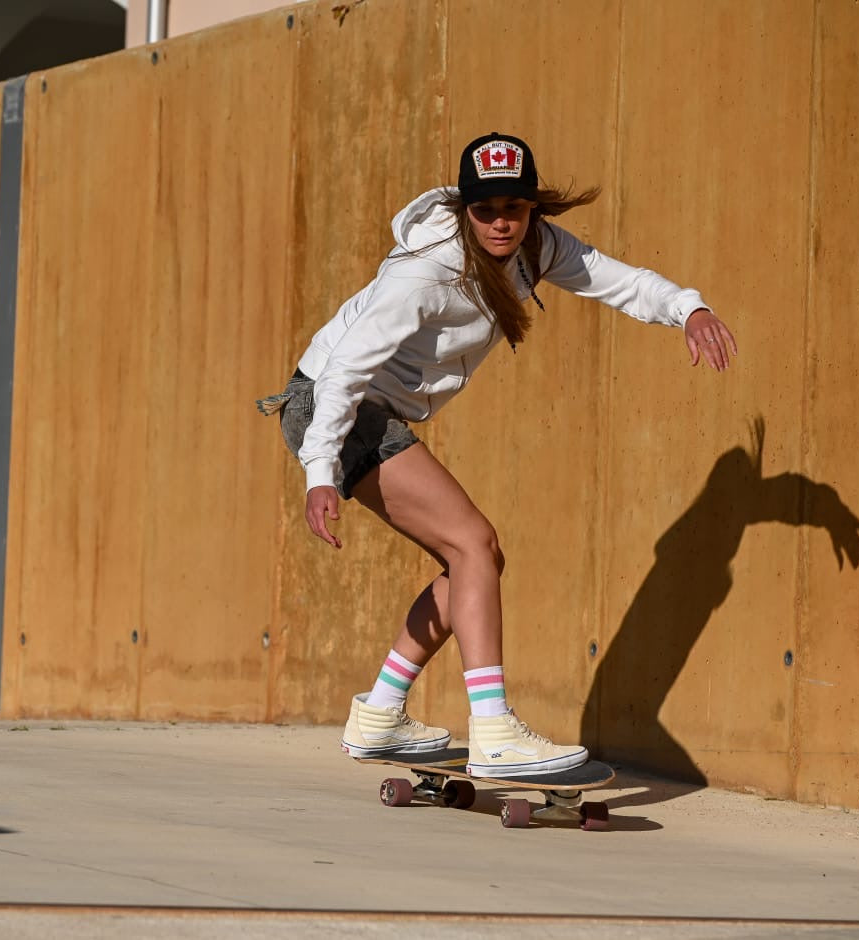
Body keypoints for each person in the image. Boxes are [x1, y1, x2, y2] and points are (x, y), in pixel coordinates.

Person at [257, 132, 737, 778]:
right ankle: (493, 731)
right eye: (485, 210)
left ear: (533, 207)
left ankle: (379, 712)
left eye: (513, 207)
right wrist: (320, 472)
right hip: (328, 406)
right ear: (464, 211)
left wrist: (687, 309)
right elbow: (343, 371)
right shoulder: (422, 273)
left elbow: (616, 281)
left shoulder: (537, 248)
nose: (500, 223)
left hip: (363, 411)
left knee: (475, 560)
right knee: (473, 544)